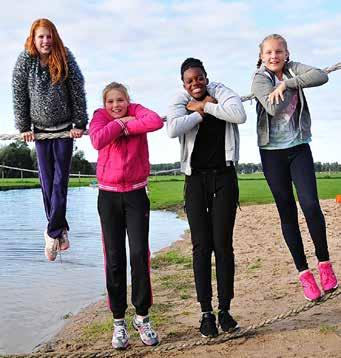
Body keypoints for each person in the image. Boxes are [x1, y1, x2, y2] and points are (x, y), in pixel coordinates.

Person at [251, 34, 338, 301]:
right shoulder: (259, 79)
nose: (274, 56)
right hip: (272, 154)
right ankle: (304, 273)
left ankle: (324, 264)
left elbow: (321, 76)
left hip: (299, 147)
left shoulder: (291, 69)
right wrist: (283, 88)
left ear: (286, 54)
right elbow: (273, 109)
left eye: (279, 51)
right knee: (287, 211)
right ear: (261, 56)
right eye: (268, 52)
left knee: (310, 204)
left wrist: (287, 82)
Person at [167, 58, 246, 338]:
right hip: (195, 180)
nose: (195, 84)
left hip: (224, 177)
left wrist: (207, 105)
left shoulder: (221, 91)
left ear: (206, 77)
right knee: (201, 247)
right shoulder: (180, 99)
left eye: (199, 78)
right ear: (184, 84)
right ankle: (206, 313)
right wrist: (201, 113)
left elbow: (239, 114)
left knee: (223, 245)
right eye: (190, 81)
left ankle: (224, 310)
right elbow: (173, 128)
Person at [89, 82, 163, 350]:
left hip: (135, 194)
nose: (116, 106)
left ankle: (142, 317)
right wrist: (122, 125)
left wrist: (130, 120)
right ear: (105, 103)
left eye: (120, 100)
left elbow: (155, 122)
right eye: (111, 101)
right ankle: (119, 321)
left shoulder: (138, 110)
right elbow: (97, 139)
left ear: (127, 100)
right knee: (115, 259)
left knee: (139, 254)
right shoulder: (100, 116)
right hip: (108, 196)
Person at [12, 18, 88, 262]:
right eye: (40, 37)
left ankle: (52, 232)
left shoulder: (65, 57)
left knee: (59, 182)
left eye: (48, 36)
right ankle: (60, 230)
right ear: (33, 39)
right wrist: (23, 126)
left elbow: (77, 89)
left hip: (65, 130)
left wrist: (80, 123)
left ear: (54, 36)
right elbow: (18, 93)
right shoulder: (26, 60)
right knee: (46, 183)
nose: (45, 41)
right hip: (40, 132)